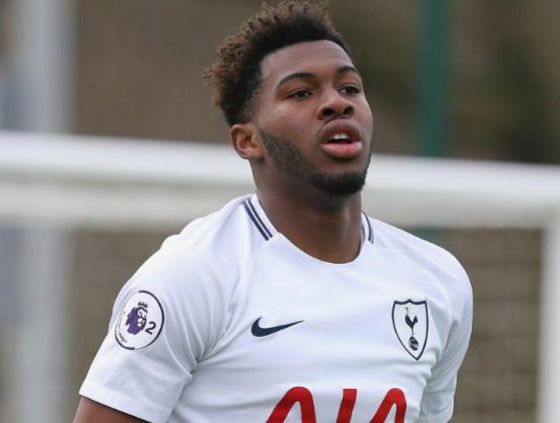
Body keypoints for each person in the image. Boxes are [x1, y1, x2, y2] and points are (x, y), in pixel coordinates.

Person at [73, 1, 472, 422]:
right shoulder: (194, 276)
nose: (336, 103)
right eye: (301, 92)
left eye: (350, 88)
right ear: (248, 141)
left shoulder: (437, 283)